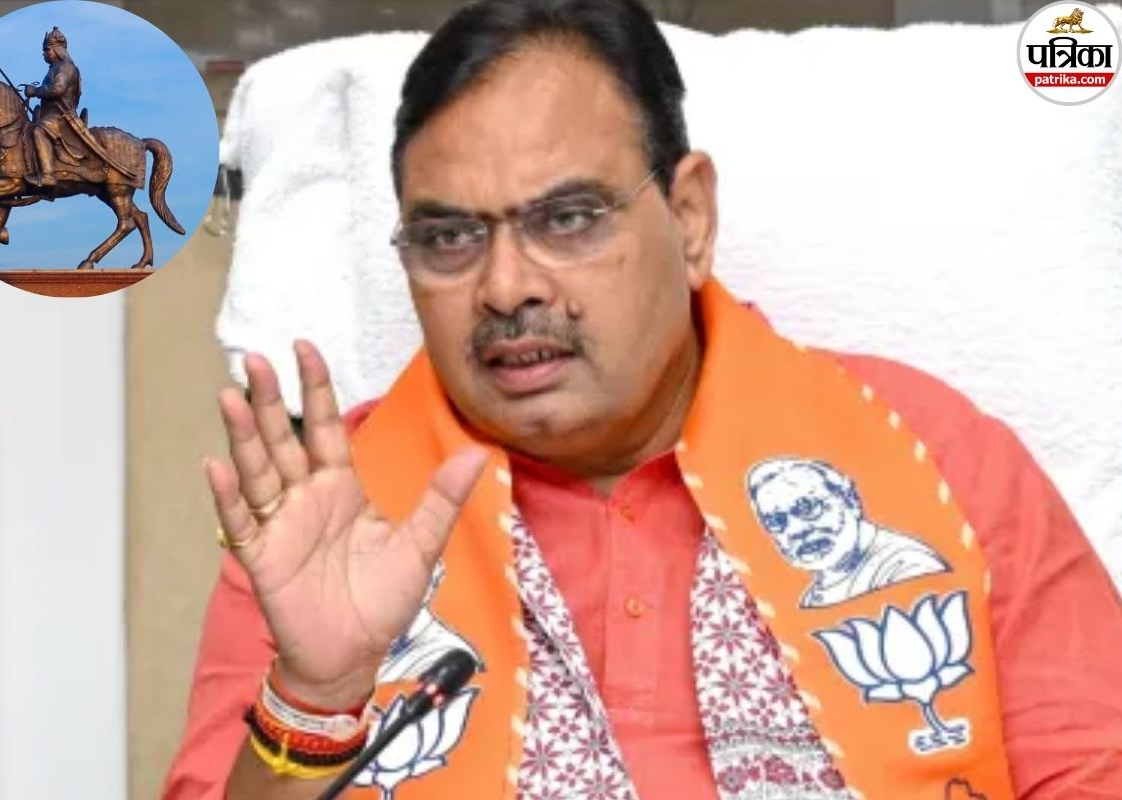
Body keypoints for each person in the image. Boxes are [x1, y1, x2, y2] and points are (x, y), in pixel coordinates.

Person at [163, 1, 1122, 798]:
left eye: (569, 218)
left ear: (690, 217)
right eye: (450, 237)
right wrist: (318, 696)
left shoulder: (939, 461)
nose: (505, 288)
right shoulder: (327, 525)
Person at [747, 457, 950, 609]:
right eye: (777, 522)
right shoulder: (812, 599)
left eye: (808, 508)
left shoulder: (906, 567)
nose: (796, 530)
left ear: (850, 500)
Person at [24, 26, 82, 188]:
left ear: (57, 49)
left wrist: (35, 91)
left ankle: (48, 176)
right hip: (49, 115)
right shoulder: (54, 69)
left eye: (47, 50)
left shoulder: (66, 67)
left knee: (39, 131)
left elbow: (57, 89)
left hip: (61, 116)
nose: (44, 54)